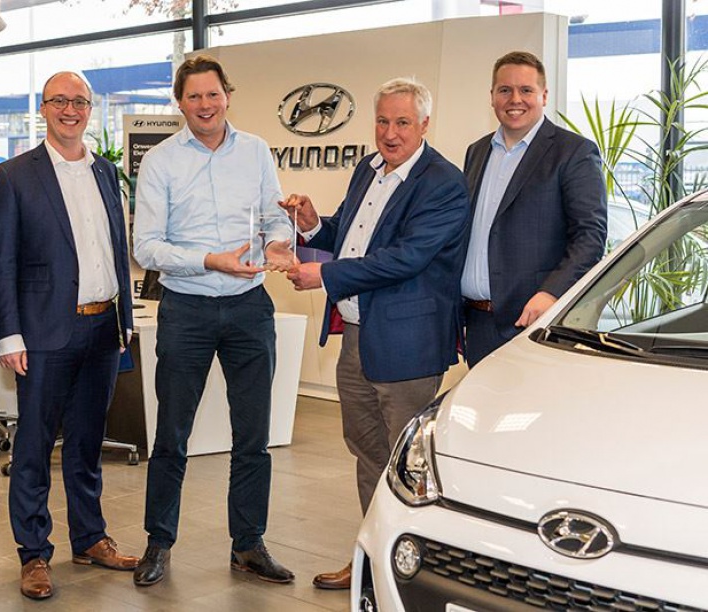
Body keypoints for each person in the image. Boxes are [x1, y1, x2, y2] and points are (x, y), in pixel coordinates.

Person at [281, 78, 470, 591]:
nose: (390, 133)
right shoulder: (368, 169)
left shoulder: (443, 183)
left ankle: (414, 573)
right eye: (383, 121)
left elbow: (404, 258)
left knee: (408, 464)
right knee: (367, 453)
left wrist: (325, 275)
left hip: (407, 344)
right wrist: (313, 225)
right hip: (356, 337)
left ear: (424, 124)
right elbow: (349, 234)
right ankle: (372, 558)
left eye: (402, 122)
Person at [132, 55, 295, 587]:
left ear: (228, 95)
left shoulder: (256, 150)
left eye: (213, 94)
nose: (205, 105)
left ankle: (248, 544)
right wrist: (209, 260)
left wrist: (278, 241)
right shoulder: (160, 161)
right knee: (171, 436)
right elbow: (146, 246)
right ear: (180, 102)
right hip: (187, 310)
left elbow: (275, 216)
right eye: (194, 96)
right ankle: (159, 542)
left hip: (250, 307)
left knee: (253, 436)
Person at [0, 71, 138, 600]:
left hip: (102, 327)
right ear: (44, 109)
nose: (70, 110)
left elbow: (116, 248)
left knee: (87, 442)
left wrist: (124, 319)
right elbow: (2, 262)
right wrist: (9, 334)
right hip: (45, 331)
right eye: (59, 101)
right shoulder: (13, 175)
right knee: (33, 446)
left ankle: (90, 537)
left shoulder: (105, 172)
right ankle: (33, 553)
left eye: (79, 102)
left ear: (90, 109)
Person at [461, 50, 607, 365]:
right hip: (478, 323)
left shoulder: (574, 152)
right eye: (505, 90)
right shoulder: (476, 151)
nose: (515, 99)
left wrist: (551, 293)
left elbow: (590, 237)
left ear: (544, 95)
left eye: (526, 90)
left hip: (535, 322)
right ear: (492, 96)